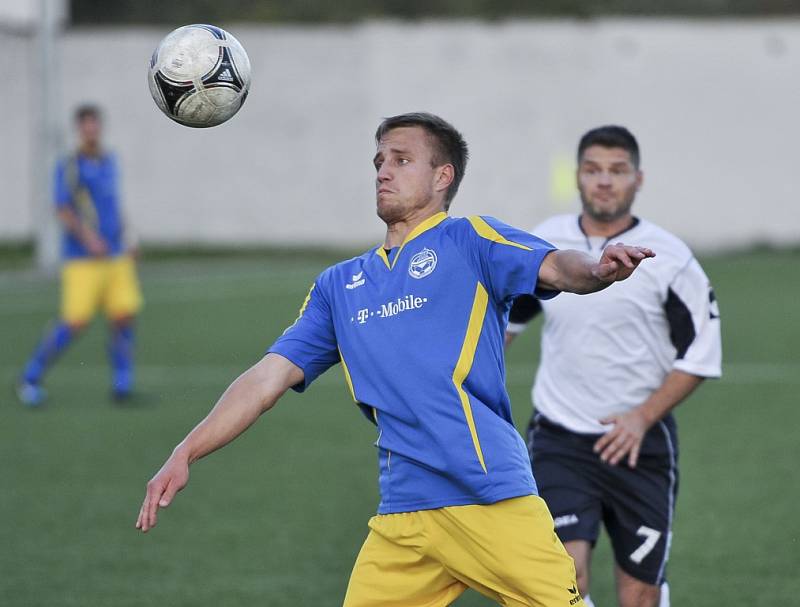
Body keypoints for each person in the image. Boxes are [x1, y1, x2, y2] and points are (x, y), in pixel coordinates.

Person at [135, 113, 654, 607]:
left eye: (402, 160)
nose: (383, 170)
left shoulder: (469, 239)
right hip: (403, 518)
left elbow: (557, 266)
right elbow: (267, 378)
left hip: (489, 496)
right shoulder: (338, 287)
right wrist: (187, 449)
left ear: (442, 177)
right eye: (379, 160)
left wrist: (598, 268)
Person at [506, 126, 722, 607]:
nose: (604, 181)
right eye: (593, 170)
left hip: (639, 444)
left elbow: (702, 355)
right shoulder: (547, 244)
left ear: (637, 179)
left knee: (638, 596)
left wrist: (642, 417)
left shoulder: (672, 258)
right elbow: (504, 325)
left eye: (617, 171)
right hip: (559, 437)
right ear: (578, 177)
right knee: (564, 580)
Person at [17, 104, 143, 406]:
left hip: (116, 256)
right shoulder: (70, 165)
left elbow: (114, 204)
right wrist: (89, 239)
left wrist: (129, 237)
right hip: (83, 259)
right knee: (74, 321)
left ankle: (122, 385)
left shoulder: (110, 160)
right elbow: (62, 208)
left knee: (123, 316)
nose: (91, 130)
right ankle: (30, 376)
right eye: (86, 126)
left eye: (95, 125)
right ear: (79, 129)